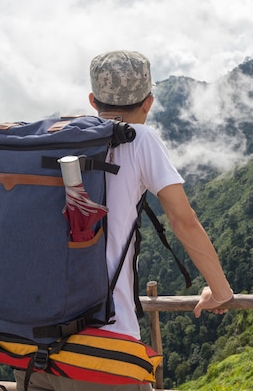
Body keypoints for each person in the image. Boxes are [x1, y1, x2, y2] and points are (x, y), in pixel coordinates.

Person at [14, 50, 234, 391]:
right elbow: (183, 221)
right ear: (148, 103)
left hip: (30, 347)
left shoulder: (59, 137)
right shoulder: (140, 139)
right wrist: (219, 291)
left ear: (93, 100)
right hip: (101, 352)